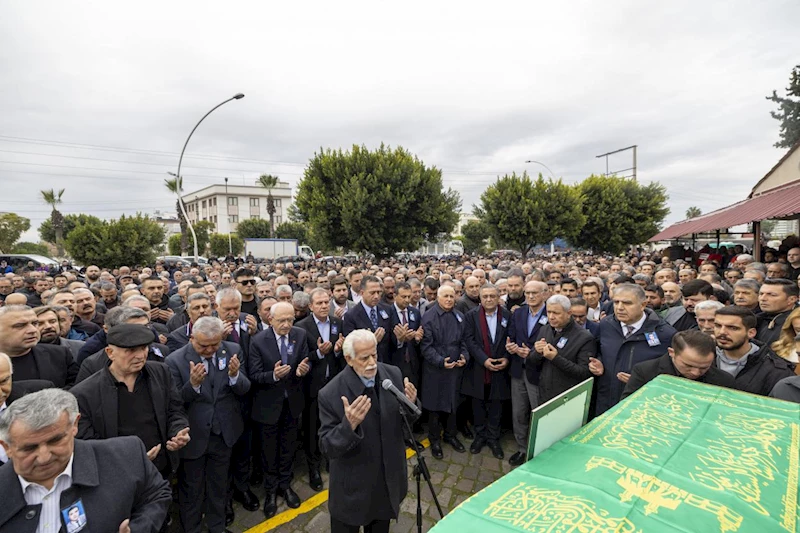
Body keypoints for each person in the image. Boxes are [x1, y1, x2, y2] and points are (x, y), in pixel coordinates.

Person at [0, 389, 172, 533]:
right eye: (29, 448)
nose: (44, 457)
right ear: (6, 446)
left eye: (55, 441)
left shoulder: (125, 456)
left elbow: (156, 494)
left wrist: (138, 529)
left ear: (74, 425)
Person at [318, 329, 419, 533]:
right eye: (364, 358)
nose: (372, 362)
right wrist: (349, 426)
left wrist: (412, 404)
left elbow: (405, 421)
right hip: (352, 490)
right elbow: (326, 447)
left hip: (386, 483)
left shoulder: (393, 374)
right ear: (349, 359)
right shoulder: (330, 393)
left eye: (374, 355)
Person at [166, 317, 251, 533]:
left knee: (219, 486)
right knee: (192, 490)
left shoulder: (232, 350)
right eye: (204, 345)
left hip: (224, 434)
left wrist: (234, 376)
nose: (210, 350)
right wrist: (192, 385)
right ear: (192, 337)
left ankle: (217, 527)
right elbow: (174, 402)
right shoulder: (174, 360)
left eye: (215, 344)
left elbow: (245, 388)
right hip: (193, 436)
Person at [248, 302, 310, 518]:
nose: (286, 325)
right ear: (270, 320)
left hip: (292, 403)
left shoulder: (300, 335)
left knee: (288, 446)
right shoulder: (257, 341)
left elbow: (305, 360)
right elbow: (253, 375)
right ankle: (271, 490)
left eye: (290, 320)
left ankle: (286, 484)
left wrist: (303, 369)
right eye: (282, 320)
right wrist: (273, 375)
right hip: (267, 406)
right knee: (268, 451)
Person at [593, 284, 676, 416]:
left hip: (641, 406)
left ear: (643, 305)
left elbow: (670, 373)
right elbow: (599, 349)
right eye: (616, 302)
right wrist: (598, 361)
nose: (620, 308)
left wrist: (642, 380)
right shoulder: (606, 325)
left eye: (627, 303)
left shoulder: (665, 334)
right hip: (606, 401)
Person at [295, 289, 345, 491]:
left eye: (327, 302)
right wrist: (318, 353)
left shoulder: (337, 323)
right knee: (312, 428)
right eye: (320, 303)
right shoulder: (301, 327)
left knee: (332, 424)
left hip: (333, 384)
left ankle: (330, 459)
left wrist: (339, 349)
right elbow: (301, 356)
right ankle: (313, 467)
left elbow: (340, 355)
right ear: (311, 306)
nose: (324, 306)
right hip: (312, 387)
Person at [462, 283, 510, 459]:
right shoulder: (470, 316)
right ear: (480, 299)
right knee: (478, 404)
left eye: (492, 296)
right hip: (477, 368)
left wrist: (506, 358)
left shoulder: (507, 315)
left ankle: (493, 438)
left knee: (497, 404)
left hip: (500, 368)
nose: (489, 299)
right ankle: (480, 436)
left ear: (498, 297)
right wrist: (484, 360)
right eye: (485, 296)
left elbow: (511, 338)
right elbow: (469, 340)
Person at [420, 285, 468, 459]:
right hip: (436, 370)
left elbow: (464, 340)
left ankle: (450, 435)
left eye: (451, 296)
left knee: (453, 404)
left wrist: (465, 356)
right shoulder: (428, 317)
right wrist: (440, 361)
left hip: (455, 368)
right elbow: (425, 347)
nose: (449, 299)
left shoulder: (460, 316)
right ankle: (434, 440)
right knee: (435, 407)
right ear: (438, 298)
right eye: (445, 296)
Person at [504, 280, 548, 466]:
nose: (530, 296)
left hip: (539, 372)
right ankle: (522, 448)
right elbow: (512, 336)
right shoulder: (519, 313)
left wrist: (532, 353)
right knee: (519, 412)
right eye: (528, 292)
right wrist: (511, 346)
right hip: (517, 370)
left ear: (544, 294)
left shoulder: (550, 313)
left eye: (535, 293)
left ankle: (540, 450)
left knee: (538, 411)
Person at [621, 330, 735, 399]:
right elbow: (627, 407)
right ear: (672, 353)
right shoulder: (645, 372)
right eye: (688, 366)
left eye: (704, 367)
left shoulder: (724, 381)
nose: (696, 373)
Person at [714, 305, 795, 396]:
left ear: (751, 333)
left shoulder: (776, 371)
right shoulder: (704, 356)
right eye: (718, 326)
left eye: (733, 328)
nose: (722, 332)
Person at [530, 295, 595, 404]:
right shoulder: (545, 330)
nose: (551, 317)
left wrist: (556, 358)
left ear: (569, 313)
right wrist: (536, 352)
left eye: (556, 313)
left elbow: (584, 373)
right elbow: (532, 362)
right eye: (549, 312)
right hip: (545, 395)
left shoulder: (584, 337)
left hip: (569, 398)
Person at [0, 305, 78, 388]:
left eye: (35, 323)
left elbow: (75, 388)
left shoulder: (60, 354)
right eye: (20, 325)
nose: (33, 330)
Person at [343, 275, 392, 364]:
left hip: (386, 363)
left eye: (379, 292)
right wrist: (372, 342)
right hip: (365, 364)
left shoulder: (387, 310)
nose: (376, 296)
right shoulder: (351, 316)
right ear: (362, 293)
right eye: (372, 293)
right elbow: (351, 347)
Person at [756, 278, 799, 345]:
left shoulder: (795, 323)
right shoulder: (756, 319)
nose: (763, 298)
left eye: (772, 295)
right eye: (761, 294)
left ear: (792, 299)